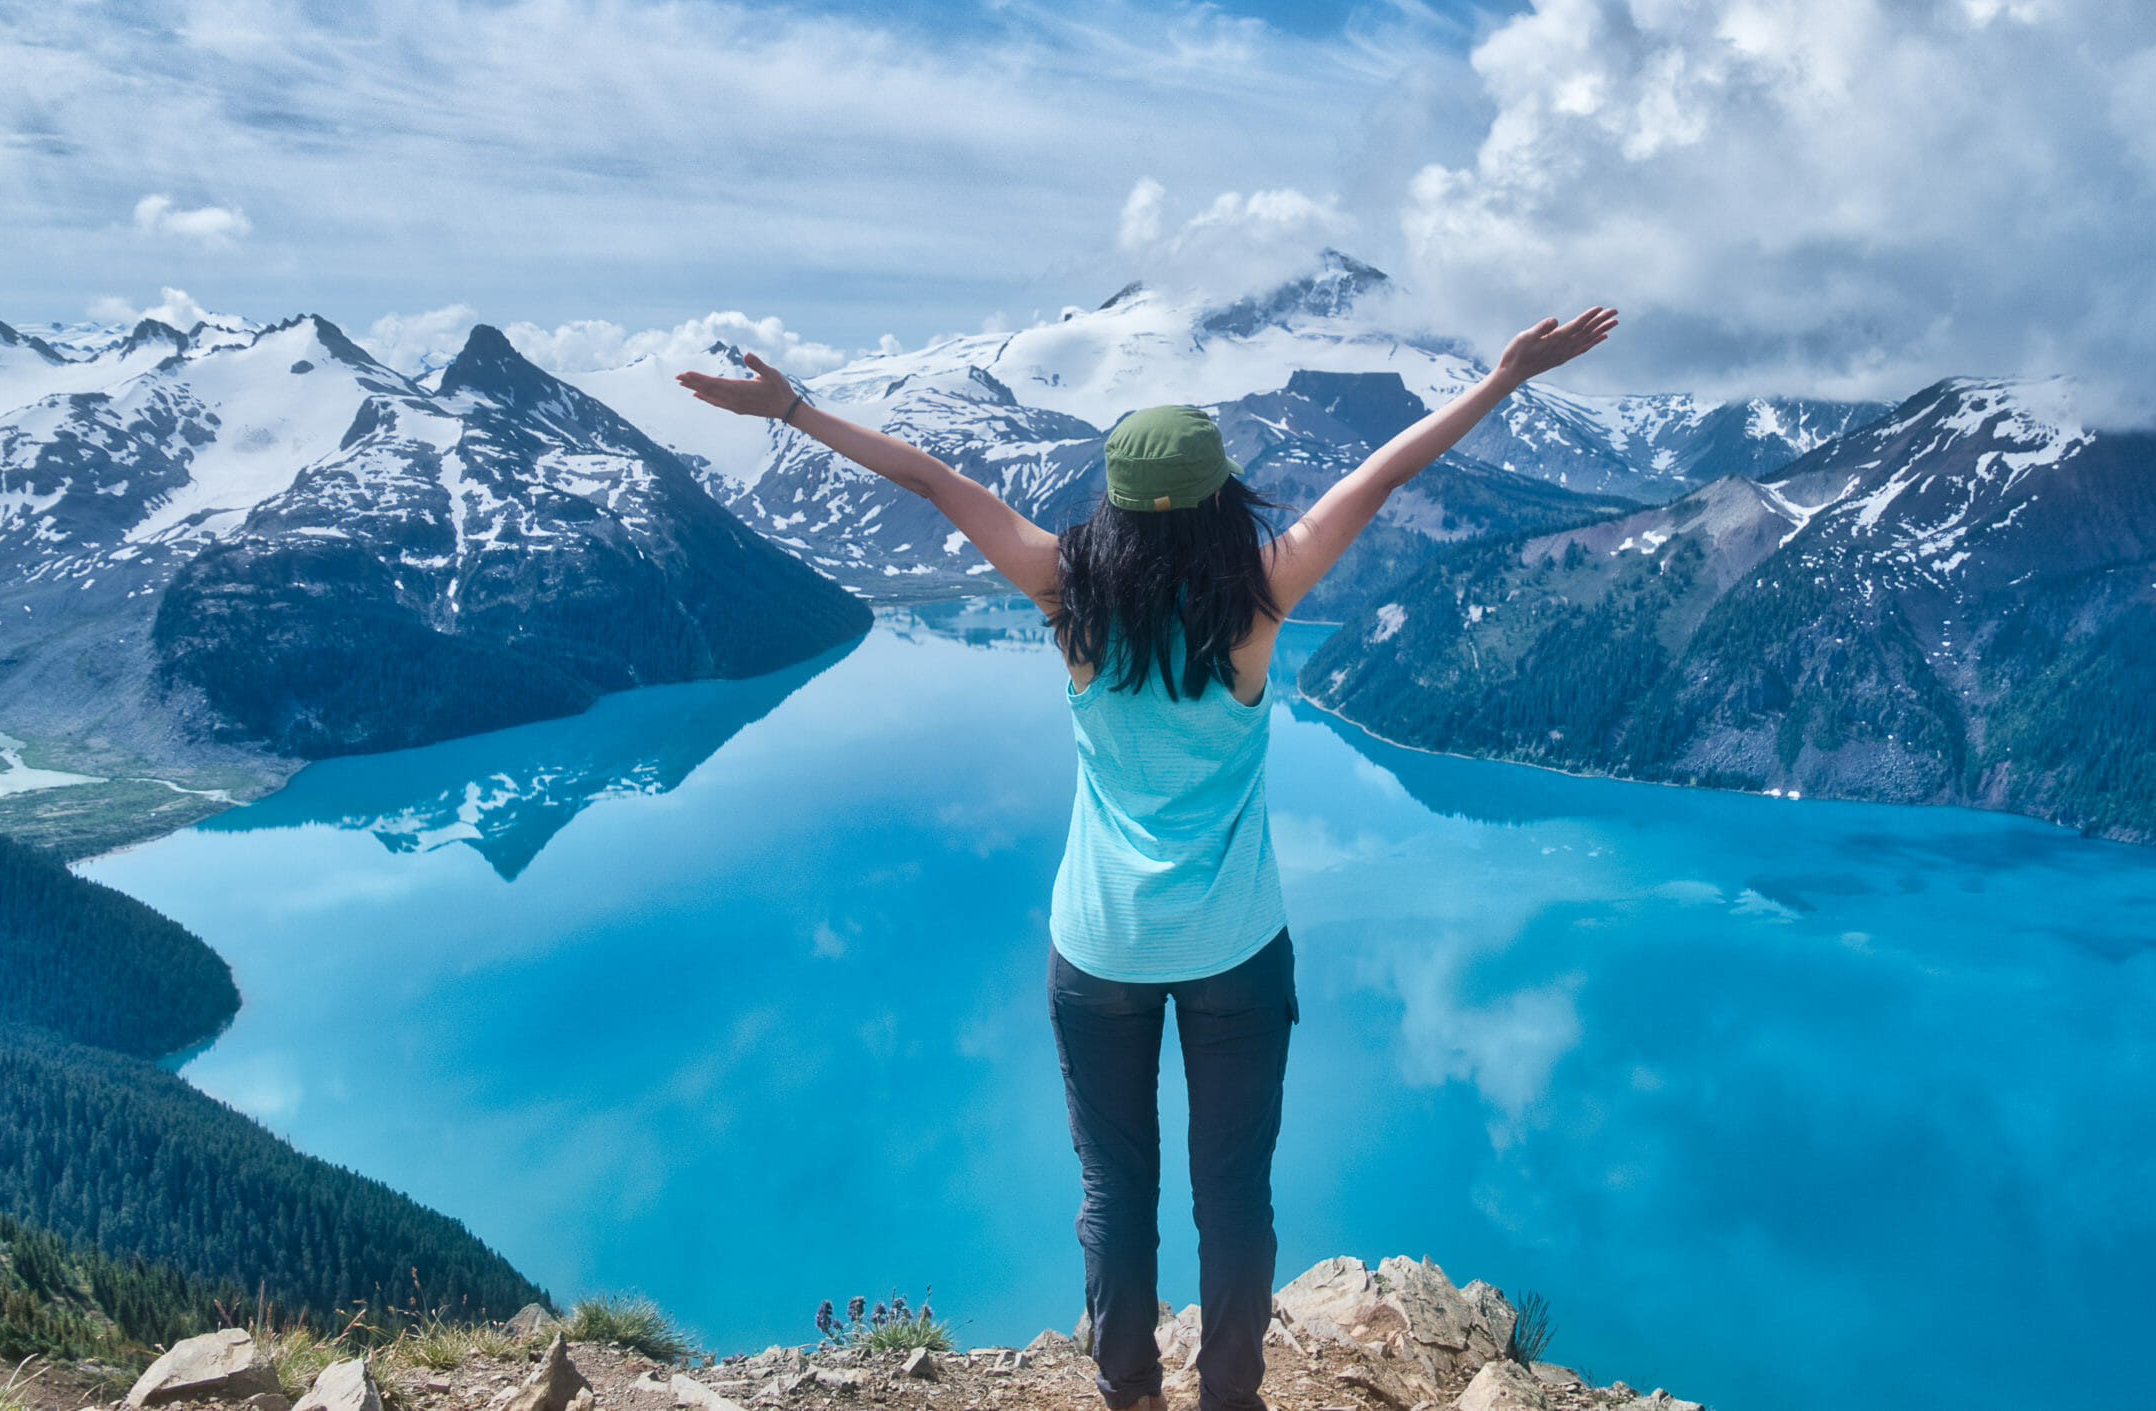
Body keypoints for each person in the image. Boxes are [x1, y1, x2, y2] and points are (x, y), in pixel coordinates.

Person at [677, 305, 1618, 1411]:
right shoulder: (1263, 598)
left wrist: (790, 406)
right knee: (1233, 1198)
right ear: (1224, 497)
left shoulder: (1064, 596)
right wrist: (1502, 377)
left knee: (1115, 1194)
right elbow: (1379, 477)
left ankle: (1130, 1399)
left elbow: (933, 482)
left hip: (1099, 946)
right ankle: (1230, 1400)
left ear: (1113, 503)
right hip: (1235, 946)